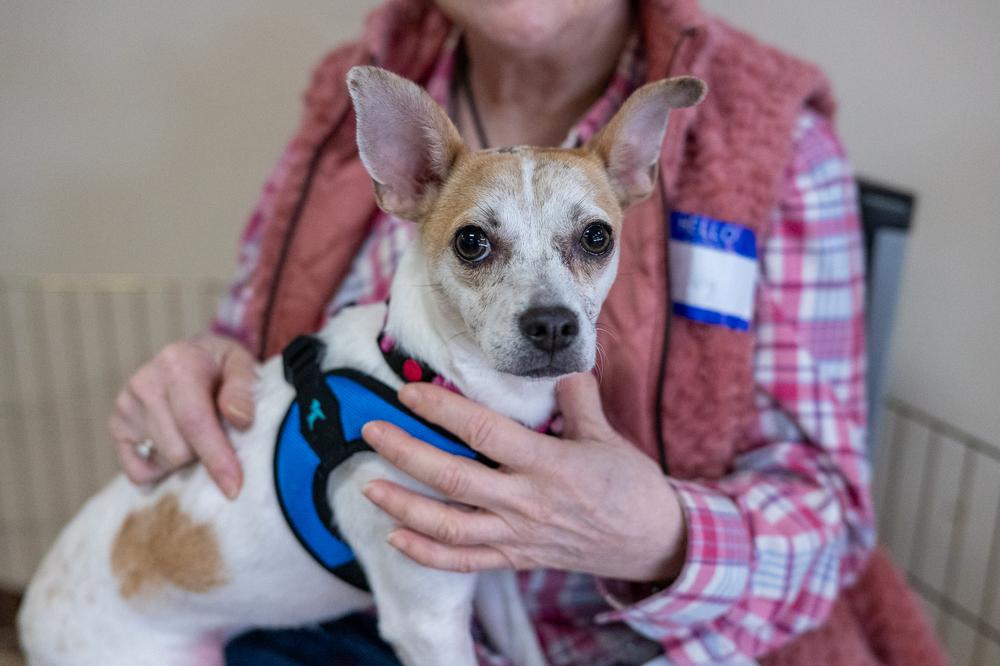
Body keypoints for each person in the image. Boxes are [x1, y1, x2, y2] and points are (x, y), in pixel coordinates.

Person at [108, 1, 945, 663]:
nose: (549, 309)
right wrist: (211, 371)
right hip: (325, 618)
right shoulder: (352, 100)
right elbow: (254, 355)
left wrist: (658, 534)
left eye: (591, 242)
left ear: (635, 174)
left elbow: (830, 514)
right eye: (477, 244)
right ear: (401, 176)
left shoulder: (770, 138)